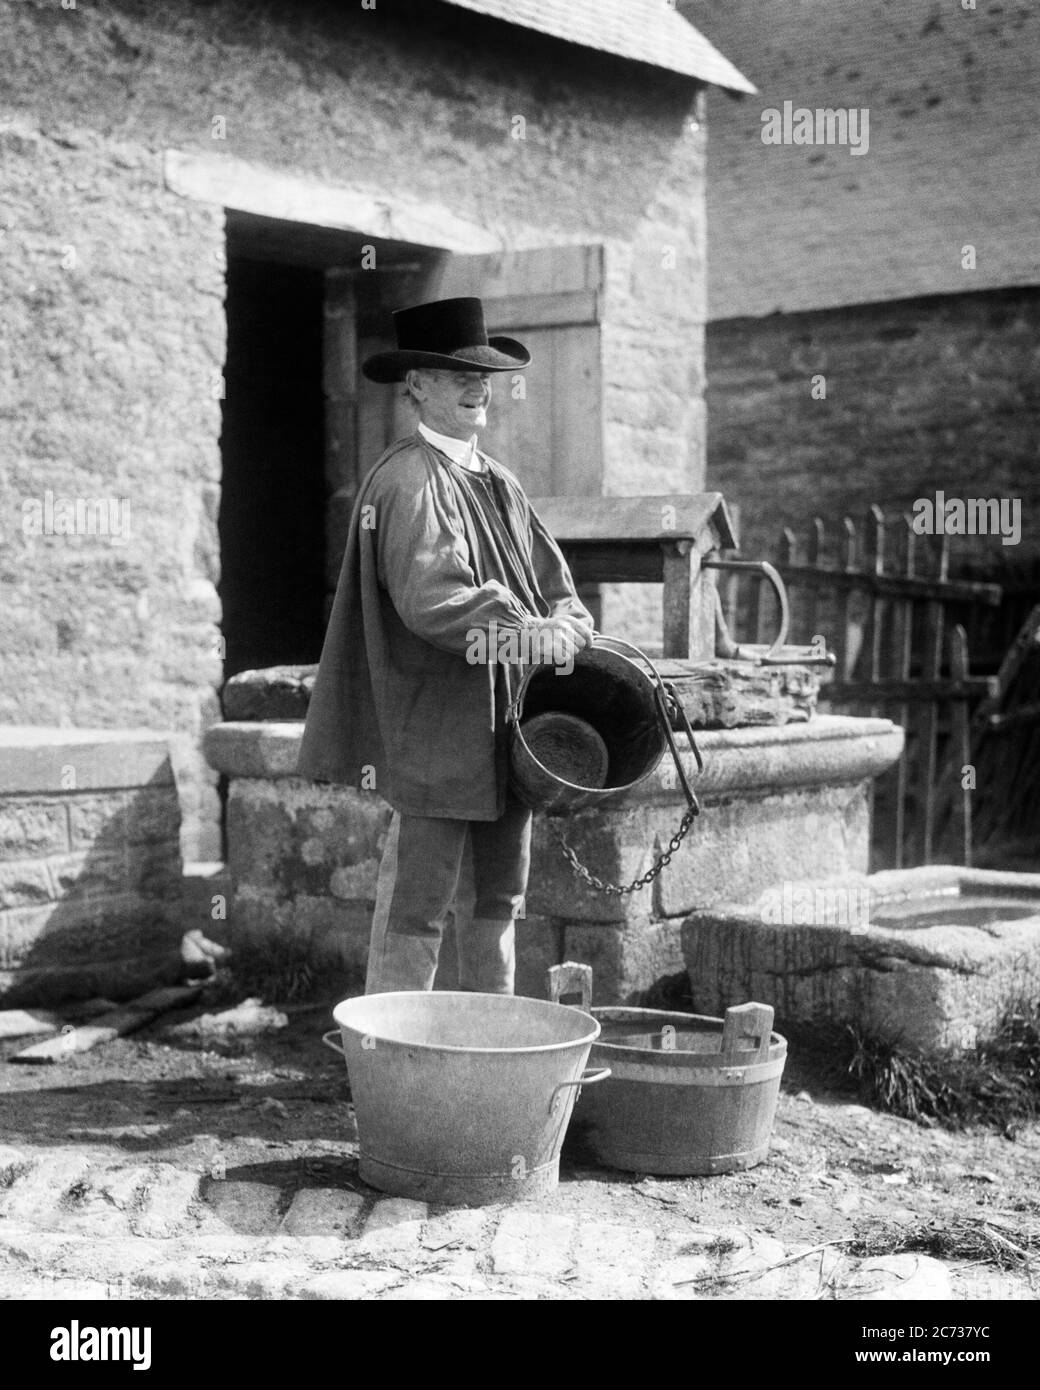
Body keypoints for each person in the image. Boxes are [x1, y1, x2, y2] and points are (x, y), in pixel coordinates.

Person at [297, 296, 594, 994]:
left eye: (483, 375)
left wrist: (569, 628)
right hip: (435, 733)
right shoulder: (406, 480)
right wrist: (531, 633)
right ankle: (395, 1061)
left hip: (505, 731)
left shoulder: (502, 483)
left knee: (498, 899)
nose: (475, 387)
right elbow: (433, 602)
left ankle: (486, 1057)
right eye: (453, 373)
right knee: (419, 906)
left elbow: (563, 593)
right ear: (416, 388)